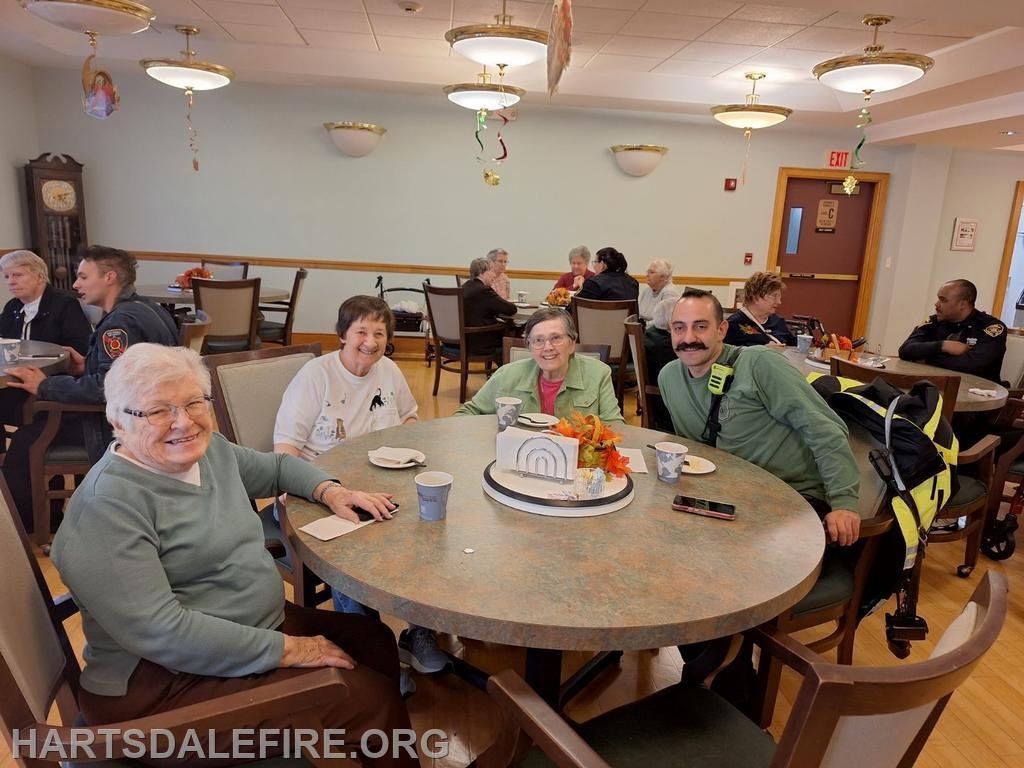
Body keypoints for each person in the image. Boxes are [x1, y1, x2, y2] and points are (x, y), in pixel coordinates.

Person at [50, 344, 417, 767]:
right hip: (159, 690)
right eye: (157, 411)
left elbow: (278, 467)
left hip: (238, 630)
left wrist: (332, 491)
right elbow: (163, 633)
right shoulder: (108, 506)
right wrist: (290, 650)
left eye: (193, 403)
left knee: (372, 639)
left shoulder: (212, 453)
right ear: (117, 420)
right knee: (365, 699)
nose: (183, 423)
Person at [274, 296, 446, 690]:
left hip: (380, 485)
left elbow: (410, 418)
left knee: (430, 528)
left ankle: (417, 632)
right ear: (342, 335)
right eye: (361, 332)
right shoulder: (315, 376)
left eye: (379, 333)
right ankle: (373, 652)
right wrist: (314, 493)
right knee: (348, 551)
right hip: (315, 493)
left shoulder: (388, 370)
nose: (370, 342)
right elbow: (284, 450)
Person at [659, 289, 860, 546]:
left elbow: (825, 429)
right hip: (728, 497)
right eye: (679, 328)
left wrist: (844, 502)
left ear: (721, 330)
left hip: (793, 498)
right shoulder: (669, 378)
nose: (688, 338)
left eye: (700, 326)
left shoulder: (760, 364)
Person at [4, 246, 179, 532]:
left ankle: (27, 531)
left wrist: (45, 385)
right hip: (154, 416)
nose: (75, 285)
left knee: (28, 439)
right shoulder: (147, 308)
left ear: (109, 277)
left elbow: (106, 390)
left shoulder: (118, 324)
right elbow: (129, 373)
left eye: (83, 277)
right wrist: (87, 365)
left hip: (118, 426)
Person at [455, 307, 623, 423]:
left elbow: (614, 427)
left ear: (572, 344)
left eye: (556, 338)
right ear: (529, 346)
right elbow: (466, 414)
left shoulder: (598, 374)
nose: (548, 347)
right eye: (538, 340)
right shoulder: (507, 375)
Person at [0, 250, 92, 432]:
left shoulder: (65, 305)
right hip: (15, 378)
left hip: (50, 381)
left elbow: (80, 349)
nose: (11, 281)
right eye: (6, 276)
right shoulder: (13, 306)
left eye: (18, 275)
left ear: (40, 276)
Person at [898, 279, 1007, 383]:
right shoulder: (935, 321)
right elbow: (905, 350)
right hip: (937, 385)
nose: (936, 304)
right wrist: (943, 346)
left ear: (962, 304)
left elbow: (972, 366)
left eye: (943, 300)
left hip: (979, 393)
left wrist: (926, 359)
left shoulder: (991, 327)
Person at [724, 271, 797, 347]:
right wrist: (762, 351)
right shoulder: (733, 324)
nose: (779, 302)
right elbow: (727, 355)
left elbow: (793, 345)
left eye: (779, 297)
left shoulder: (778, 321)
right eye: (774, 296)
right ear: (756, 297)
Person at [463, 255, 516, 357]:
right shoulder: (484, 290)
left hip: (465, 340)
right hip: (480, 342)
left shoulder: (465, 286)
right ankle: (507, 370)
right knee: (515, 332)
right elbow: (510, 309)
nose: (494, 275)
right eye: (492, 271)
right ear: (483, 272)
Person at [642, 298, 677, 432]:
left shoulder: (651, 334)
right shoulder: (668, 346)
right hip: (666, 408)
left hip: (655, 402)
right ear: (670, 324)